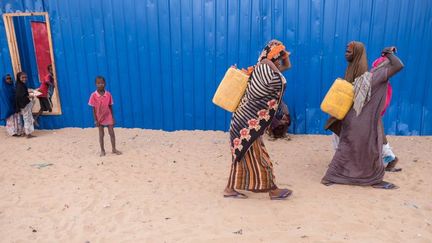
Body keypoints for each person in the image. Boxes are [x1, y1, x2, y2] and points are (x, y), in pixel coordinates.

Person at [321, 44, 404, 190]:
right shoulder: (379, 75)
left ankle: (332, 176)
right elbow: (399, 65)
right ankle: (373, 178)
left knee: (349, 148)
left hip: (356, 118)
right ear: (386, 66)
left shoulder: (371, 74)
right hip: (362, 120)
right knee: (368, 149)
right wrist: (388, 53)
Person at [224, 40, 293, 200]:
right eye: (279, 54)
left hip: (243, 120)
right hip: (248, 123)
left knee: (242, 156)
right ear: (274, 55)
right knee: (260, 157)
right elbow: (281, 81)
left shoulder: (261, 68)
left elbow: (286, 67)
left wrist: (282, 55)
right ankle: (273, 190)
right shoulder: (266, 70)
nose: (281, 57)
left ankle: (229, 189)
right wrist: (279, 56)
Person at [371, 56, 401, 172]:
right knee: (378, 134)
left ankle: (390, 158)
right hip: (375, 111)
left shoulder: (382, 82)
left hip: (375, 111)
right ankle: (389, 158)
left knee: (379, 134)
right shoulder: (382, 80)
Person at [88, 76, 122, 157]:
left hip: (108, 116)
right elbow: (93, 109)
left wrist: (113, 118)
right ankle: (102, 150)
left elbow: (110, 106)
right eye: (98, 83)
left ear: (105, 84)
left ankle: (114, 149)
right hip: (99, 118)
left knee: (112, 133)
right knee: (101, 134)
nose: (100, 85)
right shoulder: (93, 95)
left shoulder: (108, 94)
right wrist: (95, 120)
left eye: (102, 83)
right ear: (95, 84)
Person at [15, 72, 36, 138]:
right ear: (19, 78)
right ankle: (28, 134)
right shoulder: (20, 86)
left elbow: (24, 93)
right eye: (23, 77)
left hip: (25, 104)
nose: (24, 79)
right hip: (24, 105)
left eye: (25, 77)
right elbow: (20, 96)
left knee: (27, 117)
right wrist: (31, 96)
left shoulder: (21, 85)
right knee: (27, 118)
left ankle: (26, 132)